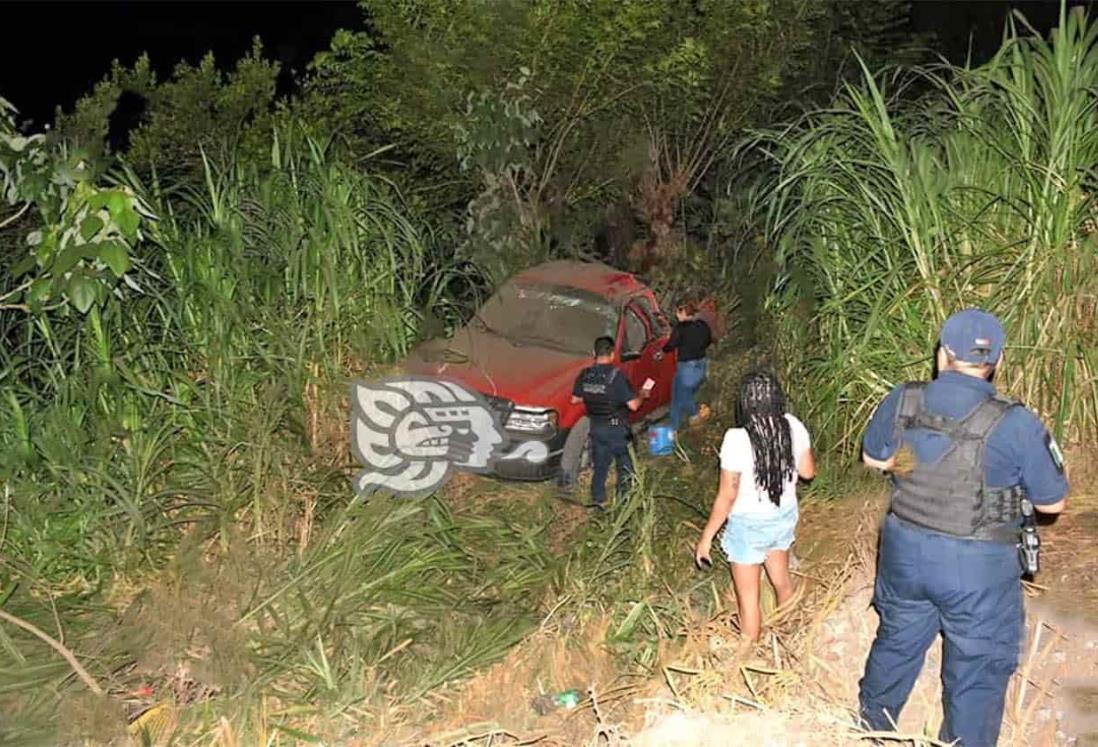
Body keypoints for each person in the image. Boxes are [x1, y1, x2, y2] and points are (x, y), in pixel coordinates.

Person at [857, 308, 1069, 747]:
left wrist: (917, 467)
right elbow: (1053, 502)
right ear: (998, 361)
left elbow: (874, 460)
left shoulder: (904, 398)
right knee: (977, 665)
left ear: (942, 355)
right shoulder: (1015, 421)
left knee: (896, 639)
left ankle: (870, 729)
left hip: (904, 550)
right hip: (977, 566)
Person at [694, 369, 815, 642]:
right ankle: (791, 635)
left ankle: (745, 658)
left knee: (749, 602)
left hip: (748, 526)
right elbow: (808, 473)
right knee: (782, 582)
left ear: (745, 403)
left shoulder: (736, 439)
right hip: (782, 516)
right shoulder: (793, 425)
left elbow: (727, 496)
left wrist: (706, 538)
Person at [571, 335, 650, 507]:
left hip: (596, 427)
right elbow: (634, 406)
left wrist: (593, 394)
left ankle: (598, 500)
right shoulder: (617, 376)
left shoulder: (585, 375)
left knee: (600, 466)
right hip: (617, 429)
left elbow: (575, 399)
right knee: (625, 466)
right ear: (613, 354)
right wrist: (642, 394)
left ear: (594, 353)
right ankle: (624, 502)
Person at [663, 297, 713, 436]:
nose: (676, 316)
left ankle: (696, 414)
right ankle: (673, 428)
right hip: (702, 365)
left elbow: (670, 346)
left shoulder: (680, 328)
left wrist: (664, 347)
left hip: (687, 367)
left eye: (678, 313)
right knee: (676, 395)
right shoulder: (702, 325)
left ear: (683, 312)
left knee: (684, 396)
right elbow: (708, 340)